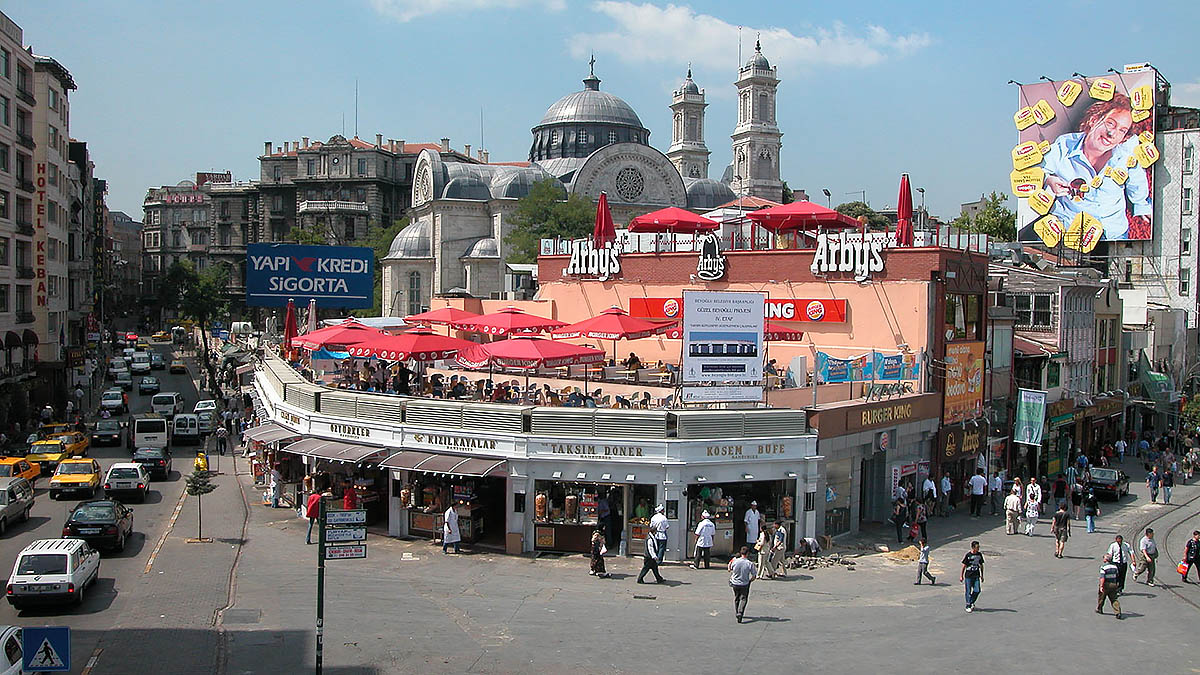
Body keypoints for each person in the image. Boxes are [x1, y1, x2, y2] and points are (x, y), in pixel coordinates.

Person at [1038, 94, 1151, 241]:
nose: (1112, 134)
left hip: (1114, 234)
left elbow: (1137, 183)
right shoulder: (1065, 145)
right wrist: (1049, 180)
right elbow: (1038, 170)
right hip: (1071, 234)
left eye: (1122, 131)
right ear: (1094, 120)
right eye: (1110, 124)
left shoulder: (1125, 154)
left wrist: (1141, 206)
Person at [728, 546, 756, 623]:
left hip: (735, 582)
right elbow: (754, 575)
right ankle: (740, 612)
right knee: (743, 598)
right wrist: (750, 581)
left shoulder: (735, 561)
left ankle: (737, 612)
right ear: (747, 554)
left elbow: (730, 569)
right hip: (744, 583)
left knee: (736, 598)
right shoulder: (749, 563)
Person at [960, 540, 985, 612]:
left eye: (979, 547)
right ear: (973, 548)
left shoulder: (979, 555)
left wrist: (982, 575)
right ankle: (968, 605)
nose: (978, 548)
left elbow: (981, 565)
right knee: (968, 591)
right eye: (977, 547)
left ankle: (971, 602)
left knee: (977, 590)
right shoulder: (968, 555)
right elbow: (964, 566)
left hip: (976, 575)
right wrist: (961, 576)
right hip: (968, 575)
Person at [1097, 554, 1123, 619]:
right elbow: (1117, 575)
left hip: (1106, 584)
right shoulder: (1115, 567)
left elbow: (1102, 578)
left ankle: (1099, 608)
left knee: (1101, 597)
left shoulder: (1103, 567)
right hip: (1113, 584)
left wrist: (1101, 586)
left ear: (1106, 560)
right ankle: (1118, 612)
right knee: (1114, 599)